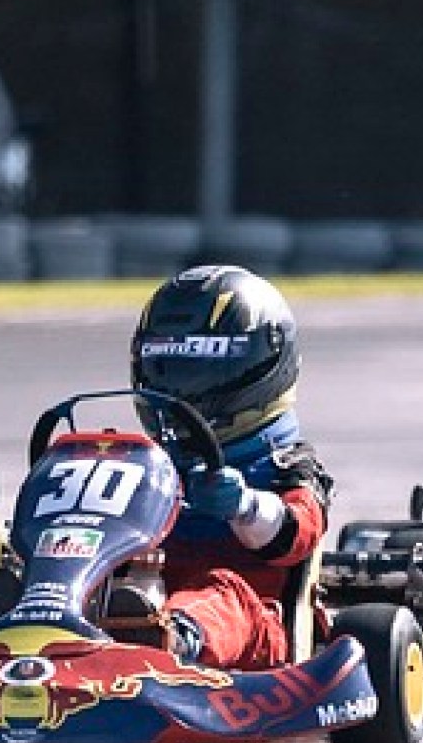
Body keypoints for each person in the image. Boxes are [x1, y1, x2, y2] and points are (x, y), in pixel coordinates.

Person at [127, 263, 332, 669]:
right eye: (171, 369)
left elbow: (298, 532)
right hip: (138, 592)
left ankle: (172, 638)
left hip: (254, 623)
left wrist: (245, 506)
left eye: (201, 369)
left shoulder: (286, 463)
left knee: (220, 592)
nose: (183, 391)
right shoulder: (144, 463)